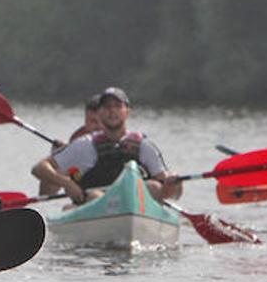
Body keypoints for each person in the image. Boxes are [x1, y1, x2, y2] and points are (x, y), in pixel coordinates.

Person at [31, 86, 181, 204]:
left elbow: (170, 193)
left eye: (117, 106)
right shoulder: (84, 145)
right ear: (100, 113)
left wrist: (174, 183)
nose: (112, 111)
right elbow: (39, 169)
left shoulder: (144, 147)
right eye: (107, 107)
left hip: (137, 208)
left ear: (127, 112)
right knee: (95, 196)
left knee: (153, 187)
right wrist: (67, 183)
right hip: (96, 205)